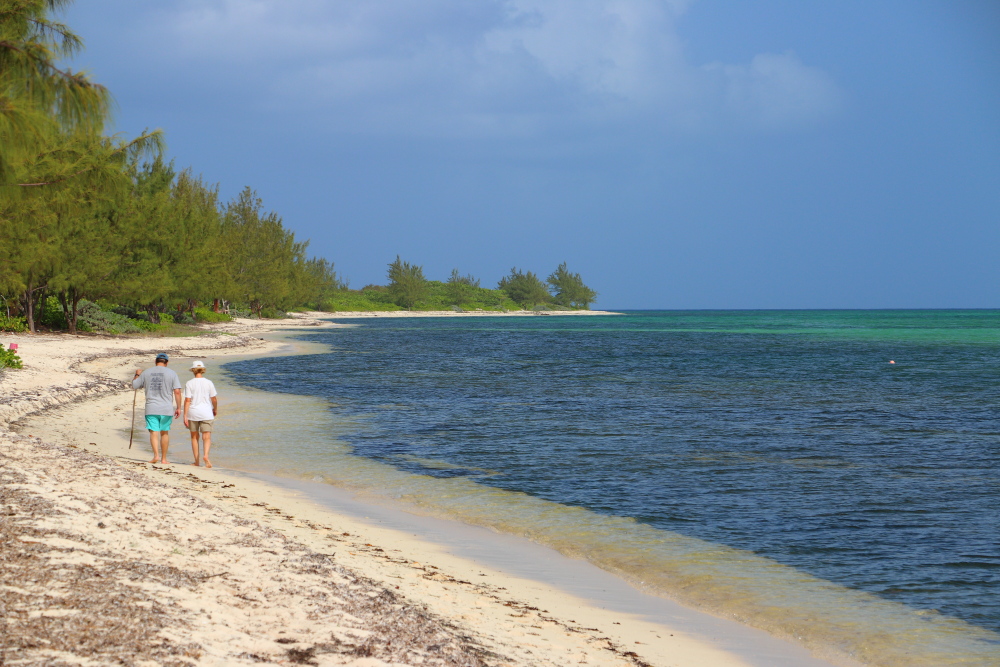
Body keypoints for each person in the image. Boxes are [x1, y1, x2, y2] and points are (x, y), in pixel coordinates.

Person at [132, 352, 182, 465]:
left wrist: (137, 375)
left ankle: (156, 456)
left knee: (154, 432)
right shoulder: (172, 373)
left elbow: (135, 385)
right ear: (167, 363)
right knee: (164, 433)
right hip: (166, 408)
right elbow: (177, 391)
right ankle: (164, 459)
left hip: (151, 407)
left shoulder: (146, 372)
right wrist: (179, 407)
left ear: (155, 362)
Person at [183, 360, 218, 468]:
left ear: (193, 370)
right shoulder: (209, 382)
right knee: (206, 437)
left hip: (193, 413)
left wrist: (185, 415)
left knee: (194, 437)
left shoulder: (189, 383)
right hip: (206, 412)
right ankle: (206, 455)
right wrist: (215, 409)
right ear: (203, 370)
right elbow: (214, 399)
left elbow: (187, 400)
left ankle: (196, 461)